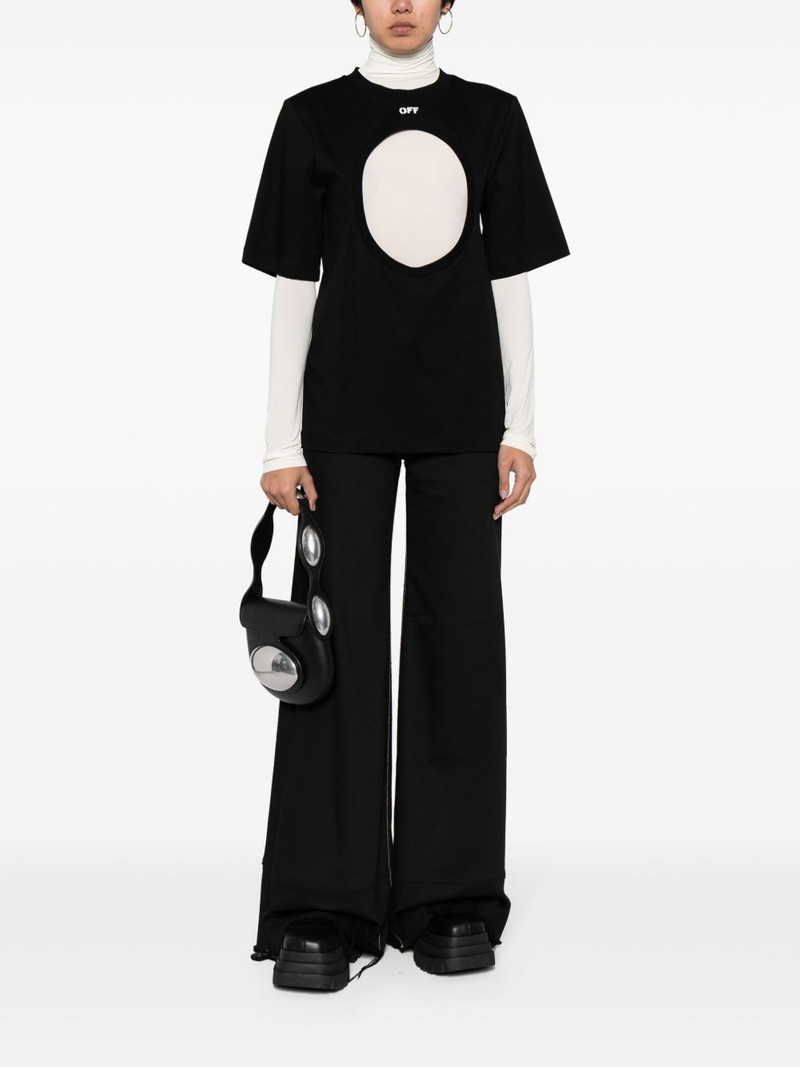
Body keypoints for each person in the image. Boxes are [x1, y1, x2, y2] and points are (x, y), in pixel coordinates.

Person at [241, 0, 569, 991]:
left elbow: (509, 277)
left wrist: (519, 427)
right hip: (340, 422)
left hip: (464, 424)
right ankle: (323, 904)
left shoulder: (492, 118)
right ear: (353, 4)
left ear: (447, 5)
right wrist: (278, 439)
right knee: (330, 650)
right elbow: (293, 285)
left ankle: (449, 893)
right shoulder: (310, 119)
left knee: (459, 642)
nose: (399, 4)